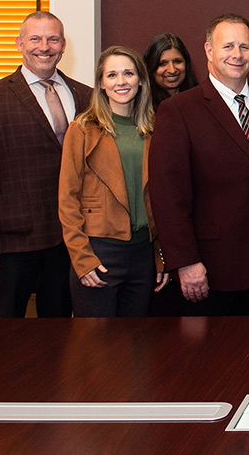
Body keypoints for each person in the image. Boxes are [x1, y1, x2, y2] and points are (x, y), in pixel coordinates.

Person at [148, 14, 249, 316]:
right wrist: (185, 261)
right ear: (209, 51)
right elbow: (168, 196)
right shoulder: (179, 111)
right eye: (228, 46)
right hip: (217, 265)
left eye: (244, 47)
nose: (237, 55)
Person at [0, 11, 92, 318]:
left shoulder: (87, 97)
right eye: (35, 38)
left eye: (52, 39)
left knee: (60, 335)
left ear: (63, 46)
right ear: (20, 44)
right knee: (5, 337)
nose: (44, 46)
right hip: (12, 242)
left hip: (69, 238)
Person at [59, 46, 169, 317]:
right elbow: (67, 198)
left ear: (141, 80)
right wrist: (82, 259)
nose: (121, 81)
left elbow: (165, 199)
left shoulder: (157, 129)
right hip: (99, 253)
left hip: (143, 254)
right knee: (96, 350)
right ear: (101, 83)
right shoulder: (82, 128)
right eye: (112, 75)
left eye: (128, 73)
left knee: (138, 348)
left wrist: (160, 256)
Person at [142, 33, 199, 109]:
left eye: (177, 61)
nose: (172, 70)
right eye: (163, 63)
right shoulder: (142, 106)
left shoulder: (199, 98)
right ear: (151, 67)